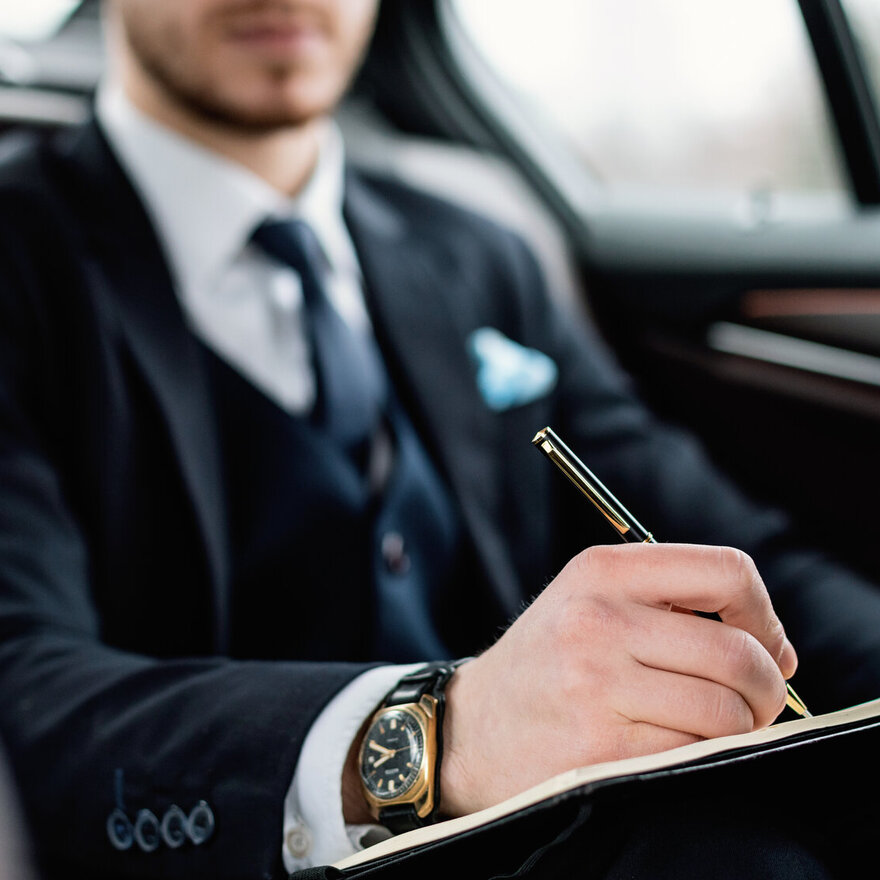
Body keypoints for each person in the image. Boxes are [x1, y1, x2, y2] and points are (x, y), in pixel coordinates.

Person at [1, 1, 880, 878]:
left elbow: (729, 552)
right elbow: (27, 691)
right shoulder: (22, 266)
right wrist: (448, 728)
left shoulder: (478, 253)